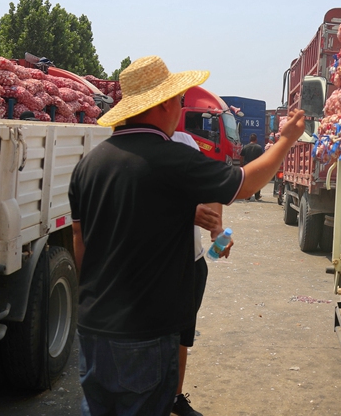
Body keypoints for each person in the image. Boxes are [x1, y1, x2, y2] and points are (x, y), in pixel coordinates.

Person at [69, 56, 305, 416]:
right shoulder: (173, 157)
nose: (180, 108)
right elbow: (244, 184)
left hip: (93, 329)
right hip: (144, 331)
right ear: (162, 104)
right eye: (178, 101)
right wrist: (286, 141)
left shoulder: (89, 164)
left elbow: (80, 243)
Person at [169, 129, 223, 416]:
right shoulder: (123, 143)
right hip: (153, 265)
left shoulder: (184, 141)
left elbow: (211, 186)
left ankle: (175, 396)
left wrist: (216, 227)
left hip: (192, 261)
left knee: (182, 334)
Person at [240, 134, 265, 201]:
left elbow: (241, 157)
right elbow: (261, 158)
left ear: (250, 140)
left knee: (247, 182)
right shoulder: (259, 147)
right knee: (256, 182)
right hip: (256, 167)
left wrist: (241, 165)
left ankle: (247, 196)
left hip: (247, 167)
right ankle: (257, 196)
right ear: (256, 140)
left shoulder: (245, 147)